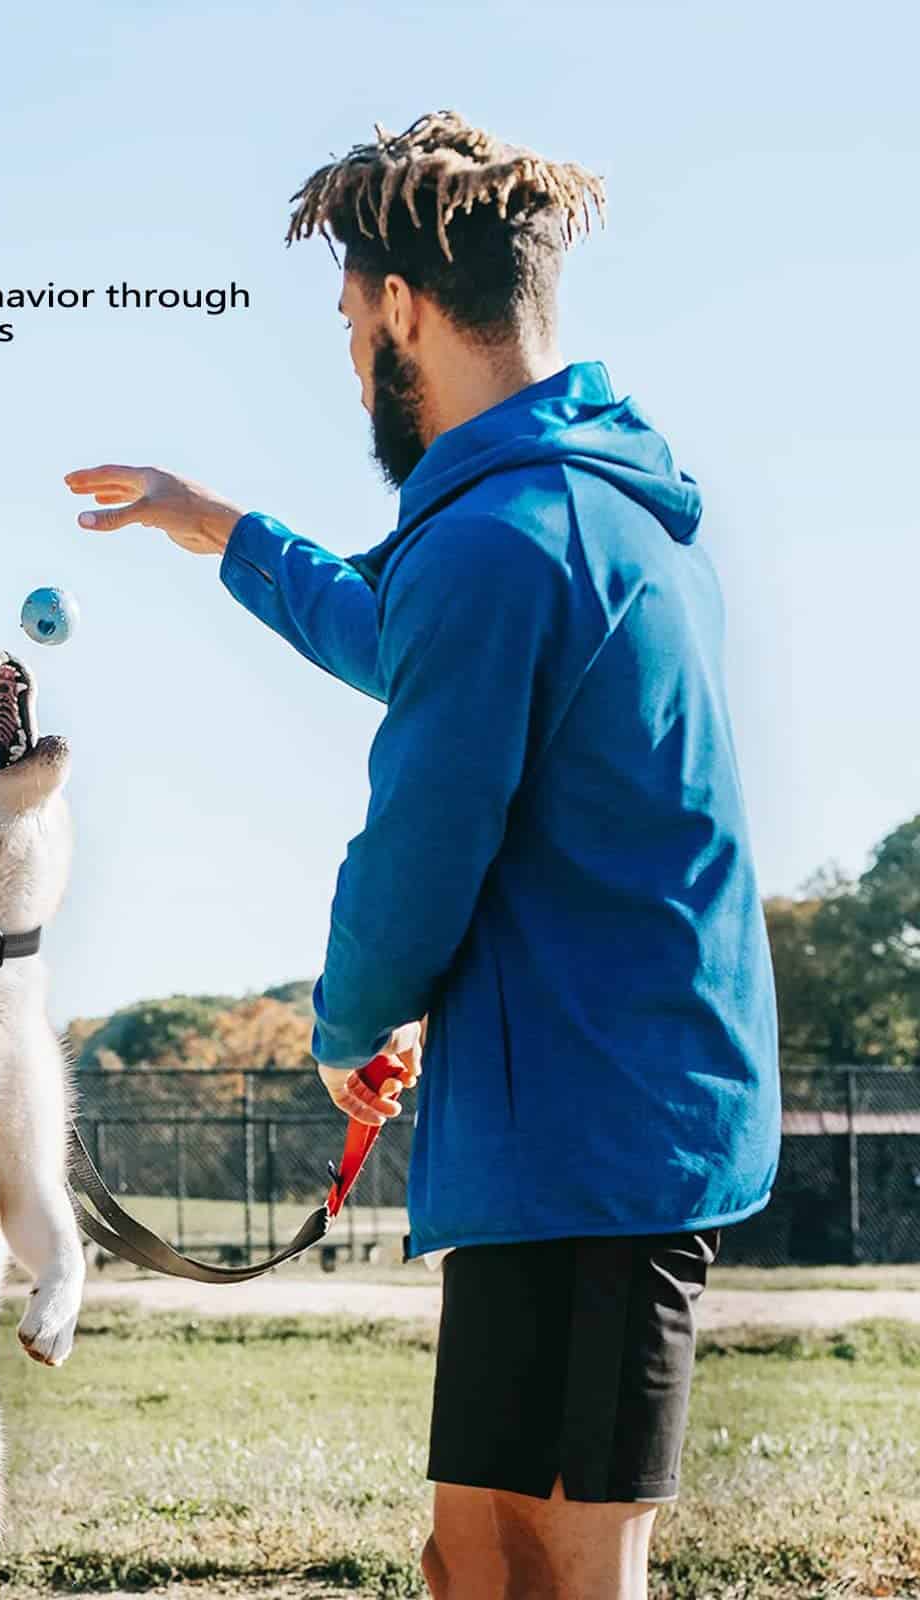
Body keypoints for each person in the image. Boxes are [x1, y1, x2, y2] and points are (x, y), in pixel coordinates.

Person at [65, 111, 780, 1600]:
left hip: (599, 1138)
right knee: (478, 1559)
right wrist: (223, 531)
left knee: (573, 1573)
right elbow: (405, 640)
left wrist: (346, 1022)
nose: (345, 359)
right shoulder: (575, 515)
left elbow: (421, 841)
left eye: (344, 320)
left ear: (398, 307)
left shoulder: (504, 539)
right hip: (569, 1132)